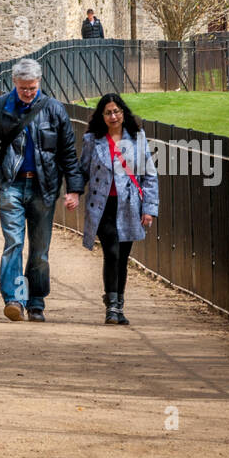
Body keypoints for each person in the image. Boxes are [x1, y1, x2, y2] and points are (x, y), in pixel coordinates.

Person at [0, 58, 81, 323]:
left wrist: (74, 189)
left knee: (39, 249)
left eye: (32, 88)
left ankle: (36, 302)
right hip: (12, 184)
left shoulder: (54, 110)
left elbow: (68, 152)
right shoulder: (0, 108)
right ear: (14, 83)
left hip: (43, 188)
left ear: (39, 83)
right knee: (14, 242)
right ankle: (15, 300)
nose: (28, 93)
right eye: (24, 88)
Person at [75, 93, 159, 325]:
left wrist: (149, 208)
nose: (113, 116)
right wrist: (74, 193)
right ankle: (112, 308)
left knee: (122, 257)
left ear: (124, 113)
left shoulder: (137, 137)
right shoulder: (93, 139)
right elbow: (83, 170)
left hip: (129, 205)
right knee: (111, 251)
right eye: (108, 113)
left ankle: (118, 305)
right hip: (102, 206)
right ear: (101, 116)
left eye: (117, 111)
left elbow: (149, 175)